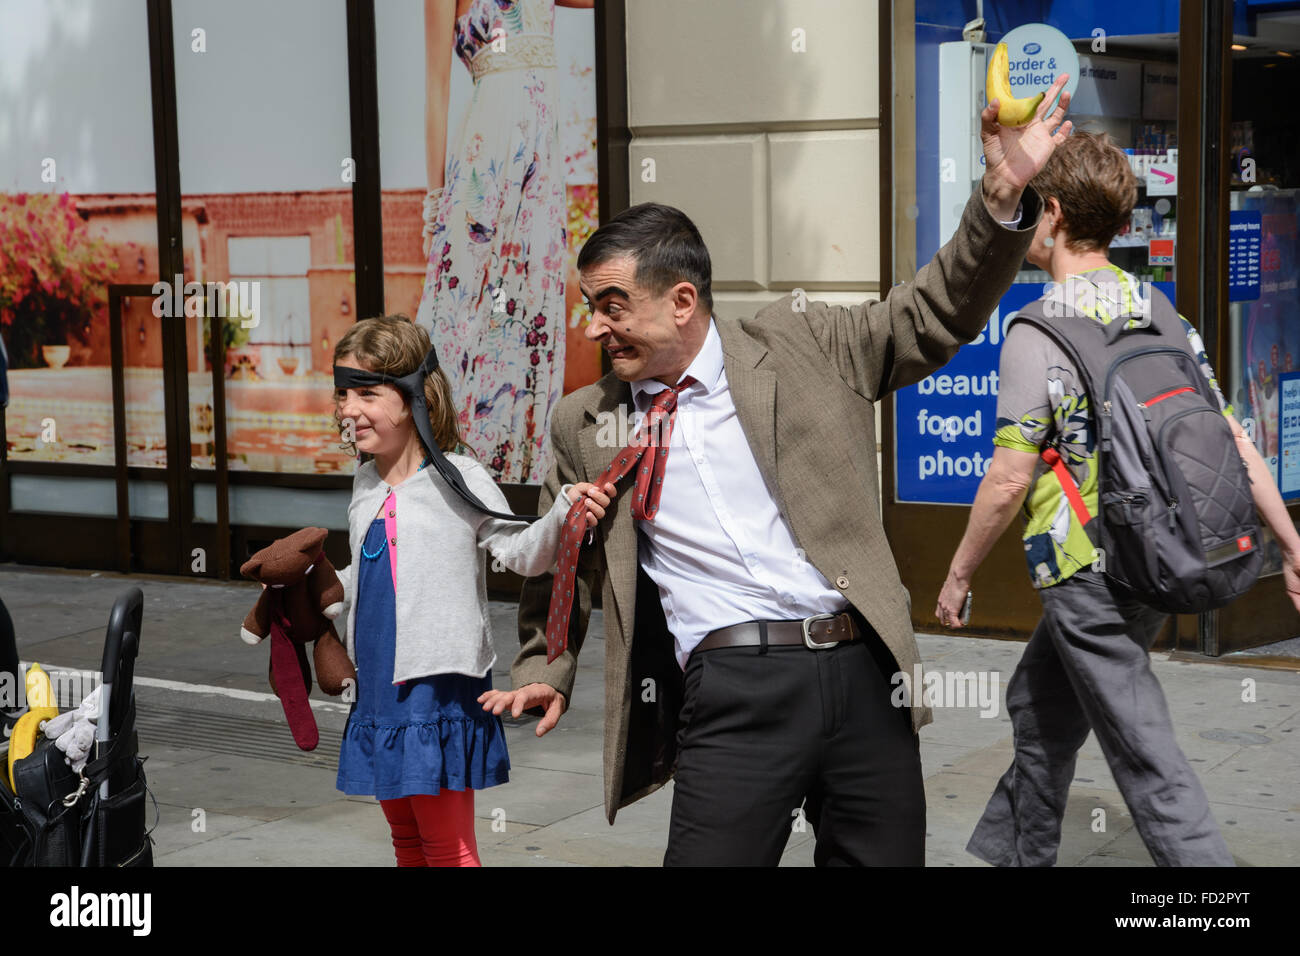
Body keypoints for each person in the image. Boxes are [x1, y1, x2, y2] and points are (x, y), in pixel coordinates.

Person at [477, 77, 1076, 865]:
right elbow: (562, 559)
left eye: (614, 305)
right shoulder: (586, 422)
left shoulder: (806, 343)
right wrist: (546, 669)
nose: (597, 327)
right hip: (732, 687)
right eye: (593, 306)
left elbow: (934, 313)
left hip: (865, 668)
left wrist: (998, 198)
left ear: (682, 299)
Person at [934, 130, 1300, 867]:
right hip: (1152, 557)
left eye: (1033, 206)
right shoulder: (1163, 312)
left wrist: (958, 573)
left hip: (1084, 574)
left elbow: (1009, 479)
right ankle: (1013, 854)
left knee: (1143, 749)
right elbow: (1235, 442)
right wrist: (1291, 544)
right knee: (1037, 704)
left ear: (1057, 214)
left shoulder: (1036, 330)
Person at [329, 315, 613, 866]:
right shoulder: (365, 481)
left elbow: (526, 554)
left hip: (437, 687)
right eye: (342, 394)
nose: (347, 409)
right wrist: (314, 590)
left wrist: (562, 511)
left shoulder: (458, 476)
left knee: (447, 847)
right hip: (379, 686)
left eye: (366, 392)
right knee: (405, 839)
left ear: (414, 396)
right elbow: (368, 573)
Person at [415, 0, 594, 485]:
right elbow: (436, 92)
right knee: (461, 314)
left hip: (541, 164)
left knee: (529, 309)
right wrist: (433, 202)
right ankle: (448, 471)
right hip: (485, 159)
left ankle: (520, 478)